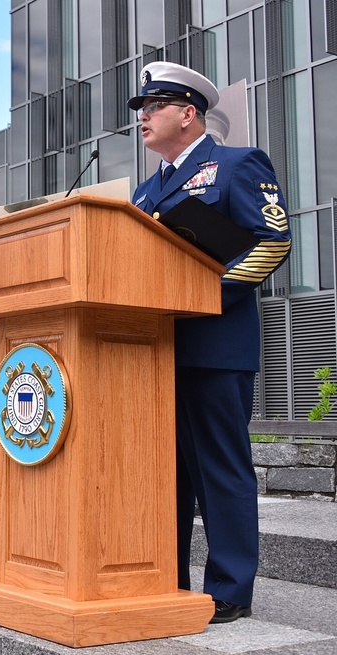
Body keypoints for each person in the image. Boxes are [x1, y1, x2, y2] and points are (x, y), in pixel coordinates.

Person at [127, 61, 292, 624]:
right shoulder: (146, 190)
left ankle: (228, 589)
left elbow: (271, 245)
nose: (143, 118)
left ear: (187, 114)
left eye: (153, 108)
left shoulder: (236, 164)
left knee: (220, 468)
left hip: (216, 344)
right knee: (163, 471)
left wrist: (204, 296)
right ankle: (163, 578)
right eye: (142, 110)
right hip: (155, 352)